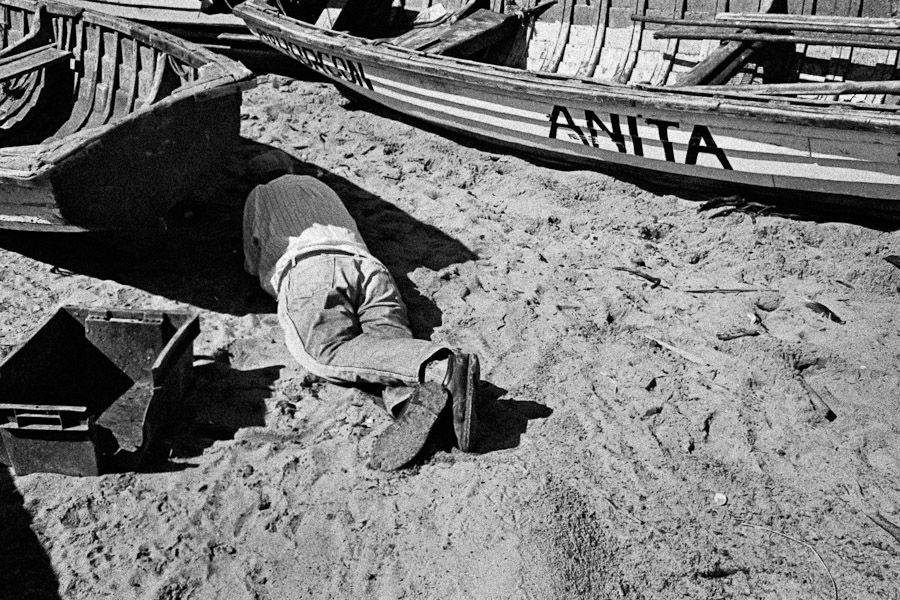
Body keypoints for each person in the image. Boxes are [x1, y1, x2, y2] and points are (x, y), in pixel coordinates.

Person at [243, 174, 480, 469]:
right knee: (388, 349)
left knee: (324, 352)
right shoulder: (323, 188)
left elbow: (253, 264)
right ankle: (419, 403)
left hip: (311, 269)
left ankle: (439, 366)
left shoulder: (260, 192)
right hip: (369, 268)